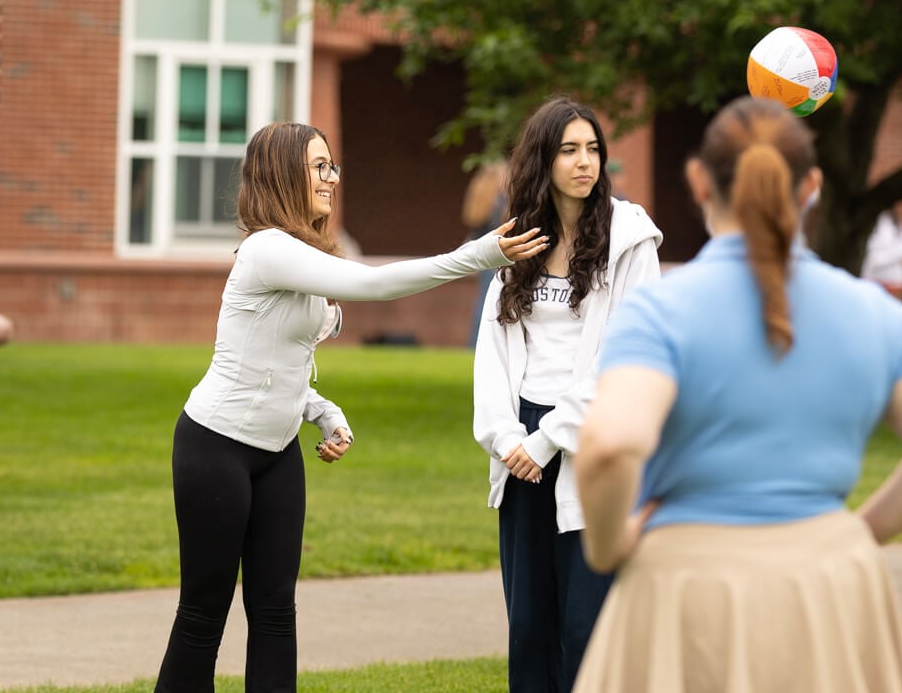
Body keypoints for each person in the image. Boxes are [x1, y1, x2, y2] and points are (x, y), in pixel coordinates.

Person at [570, 96, 902, 693]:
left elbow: (611, 446)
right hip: (827, 584)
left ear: (697, 180)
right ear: (812, 186)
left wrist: (610, 546)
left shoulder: (661, 310)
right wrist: (858, 532)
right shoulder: (870, 310)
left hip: (685, 580)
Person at [154, 121, 549, 692]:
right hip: (215, 446)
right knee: (202, 615)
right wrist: (480, 255)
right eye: (319, 167)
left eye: (331, 166)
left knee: (274, 613)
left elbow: (275, 362)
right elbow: (379, 286)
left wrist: (321, 410)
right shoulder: (268, 250)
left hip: (277, 453)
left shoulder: (303, 254)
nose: (331, 178)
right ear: (284, 173)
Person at [473, 96, 662, 693]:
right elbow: (492, 352)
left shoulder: (630, 240)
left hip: (591, 444)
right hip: (520, 449)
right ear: (542, 161)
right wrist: (507, 438)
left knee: (587, 628)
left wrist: (551, 438)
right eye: (569, 150)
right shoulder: (517, 244)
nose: (586, 162)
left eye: (593, 149)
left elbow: (629, 357)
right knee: (528, 626)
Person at [463, 159, 509, 347]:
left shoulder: (479, 196)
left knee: (483, 302)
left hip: (482, 257)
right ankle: (483, 344)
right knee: (491, 303)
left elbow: (473, 224)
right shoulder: (500, 201)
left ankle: (474, 344)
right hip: (497, 256)